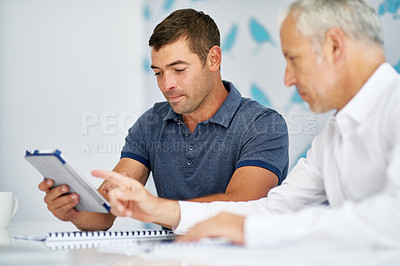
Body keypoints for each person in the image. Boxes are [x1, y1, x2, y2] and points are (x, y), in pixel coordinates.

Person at [92, 0, 400, 247]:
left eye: (293, 59)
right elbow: (274, 208)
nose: (288, 78)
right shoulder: (334, 134)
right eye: (159, 72)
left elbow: (390, 218)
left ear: (334, 46)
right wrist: (159, 209)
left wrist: (251, 231)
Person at [38, 9, 289, 231]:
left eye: (179, 70)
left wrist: (154, 207)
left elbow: (242, 206)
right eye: (158, 72)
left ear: (213, 59)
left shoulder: (263, 125)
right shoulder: (151, 123)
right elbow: (105, 213)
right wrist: (75, 209)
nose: (167, 85)